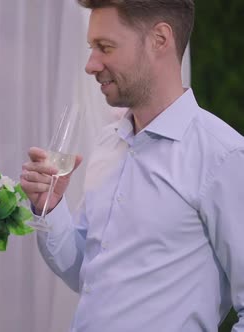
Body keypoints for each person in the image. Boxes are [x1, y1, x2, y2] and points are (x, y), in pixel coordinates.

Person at [20, 1, 244, 331]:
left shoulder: (224, 157)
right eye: (91, 47)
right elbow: (87, 271)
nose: (90, 64)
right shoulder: (108, 143)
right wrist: (50, 209)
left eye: (105, 47)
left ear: (160, 39)